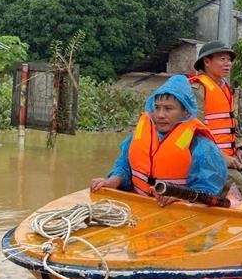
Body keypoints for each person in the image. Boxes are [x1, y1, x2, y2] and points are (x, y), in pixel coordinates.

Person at [90, 75, 227, 207]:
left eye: (168, 108)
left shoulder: (201, 145)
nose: (160, 115)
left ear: (185, 112)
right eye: (157, 108)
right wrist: (112, 181)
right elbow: (125, 166)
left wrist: (180, 196)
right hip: (140, 205)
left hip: (178, 215)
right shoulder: (140, 135)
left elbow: (208, 191)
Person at [190, 41, 242, 199]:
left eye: (229, 60)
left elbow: (232, 124)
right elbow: (194, 130)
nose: (228, 64)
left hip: (231, 155)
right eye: (222, 59)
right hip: (211, 160)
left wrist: (239, 147)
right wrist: (220, 158)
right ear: (207, 61)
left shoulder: (225, 88)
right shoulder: (198, 88)